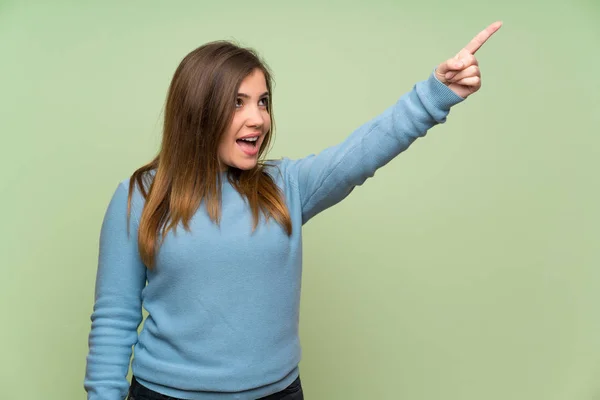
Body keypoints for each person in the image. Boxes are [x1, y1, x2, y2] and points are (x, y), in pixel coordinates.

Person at [84, 21, 502, 400]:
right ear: (197, 110)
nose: (258, 119)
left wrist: (436, 93)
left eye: (263, 102)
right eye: (238, 103)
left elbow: (363, 151)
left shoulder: (285, 187)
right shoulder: (140, 195)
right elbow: (114, 318)